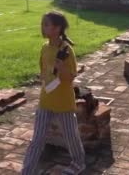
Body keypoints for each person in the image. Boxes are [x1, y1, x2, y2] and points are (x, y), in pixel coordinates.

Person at [21, 11, 85, 175]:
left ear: (58, 28)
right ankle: (27, 170)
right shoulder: (44, 47)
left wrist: (61, 67)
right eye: (43, 23)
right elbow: (43, 72)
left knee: (71, 137)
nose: (43, 27)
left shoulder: (66, 50)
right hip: (46, 100)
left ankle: (79, 162)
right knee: (37, 139)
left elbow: (70, 78)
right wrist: (45, 77)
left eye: (47, 24)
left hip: (63, 101)